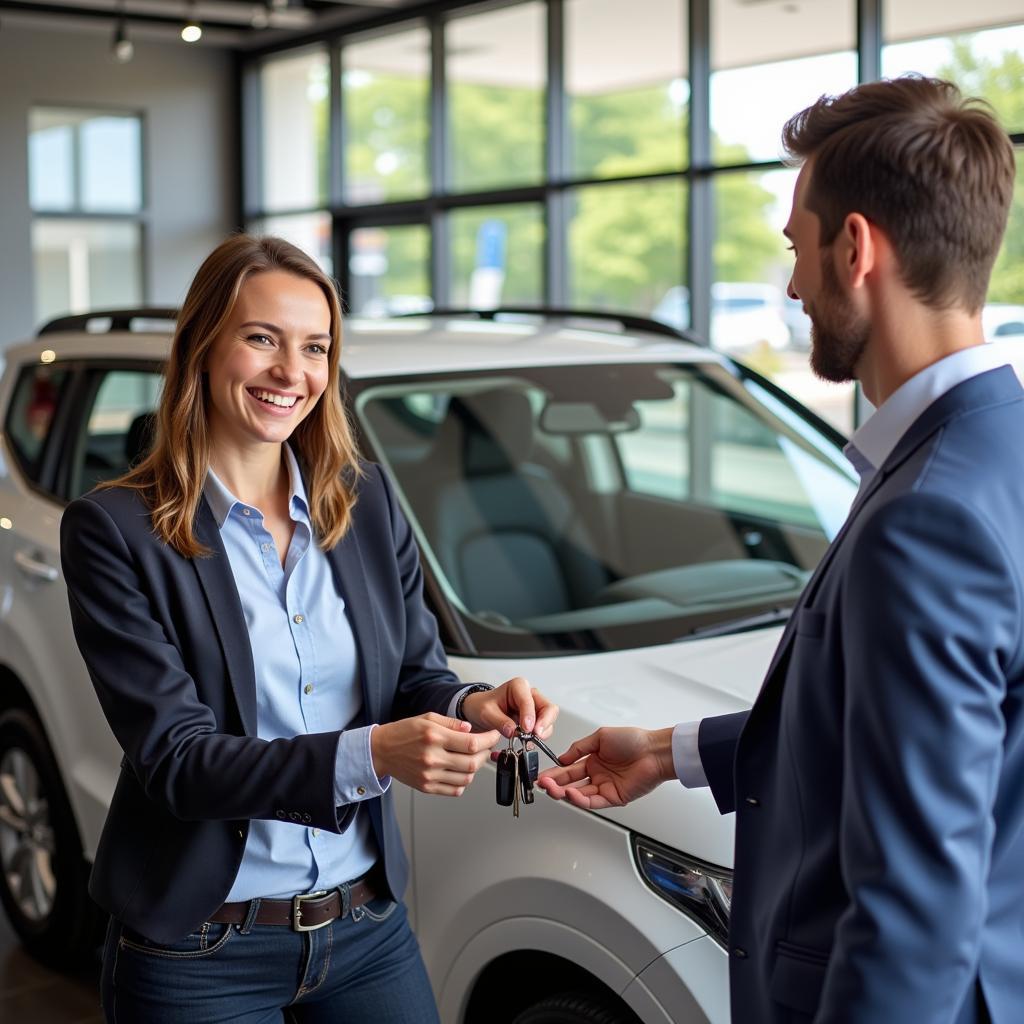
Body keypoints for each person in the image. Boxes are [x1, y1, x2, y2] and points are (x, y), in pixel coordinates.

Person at [539, 76, 1022, 1024]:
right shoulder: (995, 450)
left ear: (856, 248)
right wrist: (674, 750)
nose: (794, 286)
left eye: (797, 249)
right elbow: (945, 745)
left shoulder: (928, 517)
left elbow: (911, 902)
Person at [60, 234, 558, 1023]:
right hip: (201, 949)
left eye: (316, 347)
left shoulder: (365, 502)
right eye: (262, 338)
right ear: (202, 348)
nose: (292, 373)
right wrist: (373, 752)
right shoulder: (114, 530)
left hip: (363, 925)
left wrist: (470, 704)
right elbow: (179, 762)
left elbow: (412, 677)